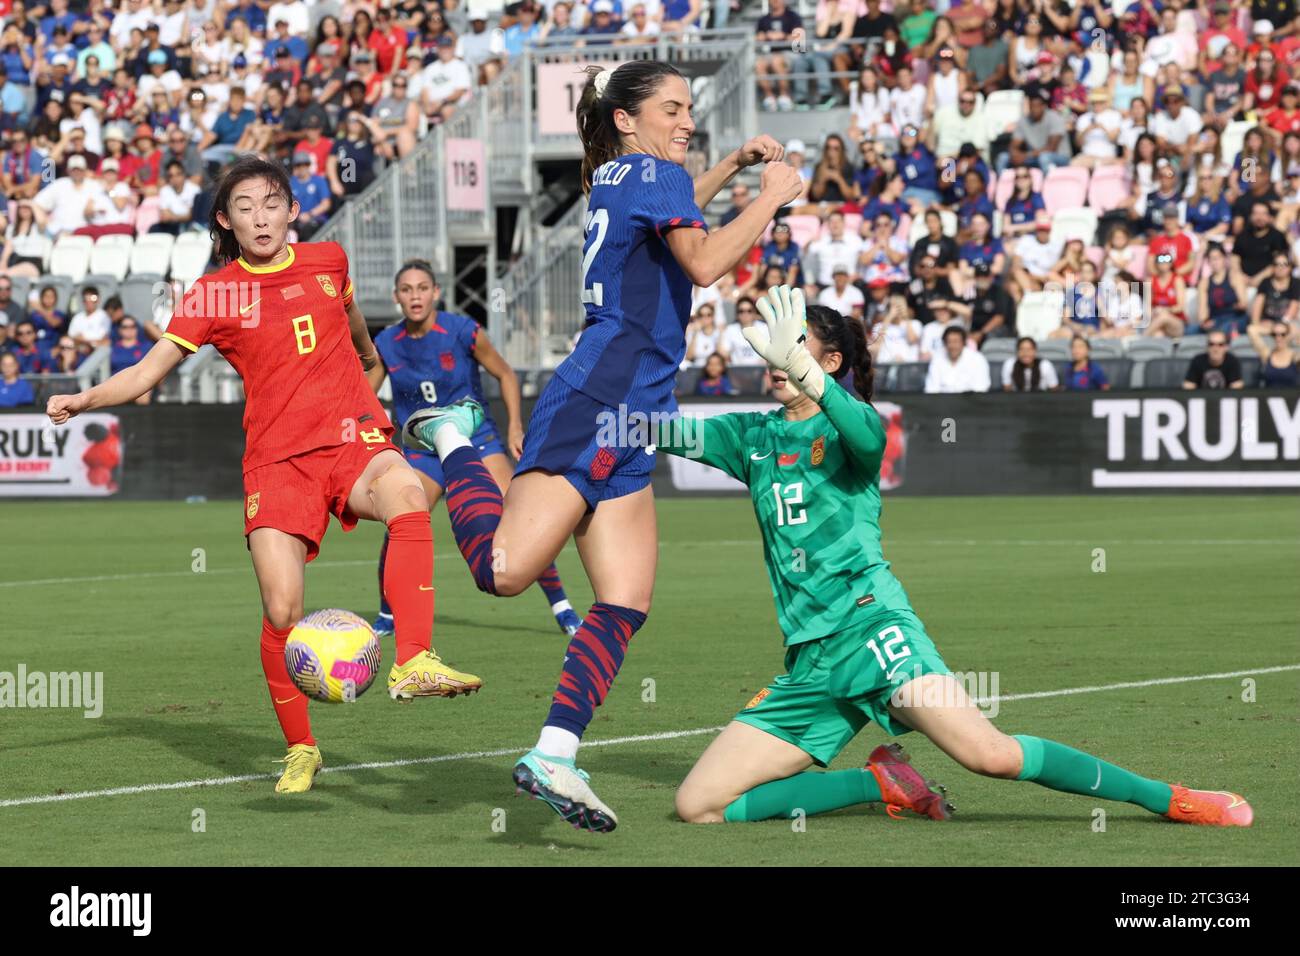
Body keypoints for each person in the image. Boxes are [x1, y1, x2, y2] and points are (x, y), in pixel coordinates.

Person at [663, 287, 1251, 829]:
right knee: (700, 805)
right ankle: (877, 782)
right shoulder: (750, 437)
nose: (776, 360)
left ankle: (1166, 798)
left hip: (872, 630)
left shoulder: (850, 426)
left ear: (831, 363)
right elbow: (657, 431)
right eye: (774, 350)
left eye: (795, 348)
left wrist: (810, 379)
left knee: (988, 755)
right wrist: (598, 403)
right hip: (810, 662)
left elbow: (870, 436)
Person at [400, 61, 801, 832]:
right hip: (601, 397)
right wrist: (771, 196)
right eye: (674, 108)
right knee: (505, 572)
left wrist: (729, 166)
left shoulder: (624, 175)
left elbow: (678, 215)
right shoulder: (652, 174)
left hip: (633, 408)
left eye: (691, 108)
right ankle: (452, 440)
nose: (689, 119)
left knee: (624, 600)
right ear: (626, 117)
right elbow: (708, 263)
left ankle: (554, 753)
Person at [45, 156, 483, 795]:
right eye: (245, 207)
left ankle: (413, 658)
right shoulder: (213, 294)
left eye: (272, 203)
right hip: (276, 462)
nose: (260, 217)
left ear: (292, 210)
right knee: (283, 609)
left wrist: (364, 373)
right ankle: (301, 747)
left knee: (409, 494)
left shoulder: (329, 261)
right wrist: (83, 400)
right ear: (226, 220)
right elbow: (145, 373)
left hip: (349, 440)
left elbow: (361, 337)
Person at [369, 259, 582, 638]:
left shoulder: (463, 331)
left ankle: (561, 605)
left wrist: (515, 424)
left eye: (422, 288)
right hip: (423, 447)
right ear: (396, 297)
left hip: (476, 439)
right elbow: (365, 392)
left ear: (436, 293)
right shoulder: (386, 343)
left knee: (514, 514)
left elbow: (505, 374)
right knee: (401, 515)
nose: (415, 296)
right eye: (407, 289)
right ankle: (387, 613)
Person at [924, 324, 989, 393]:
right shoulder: (937, 359)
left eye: (956, 341)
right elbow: (931, 389)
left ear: (963, 343)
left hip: (971, 402)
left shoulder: (977, 359)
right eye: (949, 342)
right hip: (943, 402)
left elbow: (981, 388)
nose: (952, 346)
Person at [1247, 319, 1300, 389]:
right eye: (1274, 335)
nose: (1278, 338)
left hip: (1292, 398)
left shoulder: (1295, 357)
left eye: (1283, 334)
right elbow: (1251, 330)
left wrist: (1293, 333)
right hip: (1270, 398)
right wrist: (1271, 330)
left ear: (1288, 335)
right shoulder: (1267, 354)